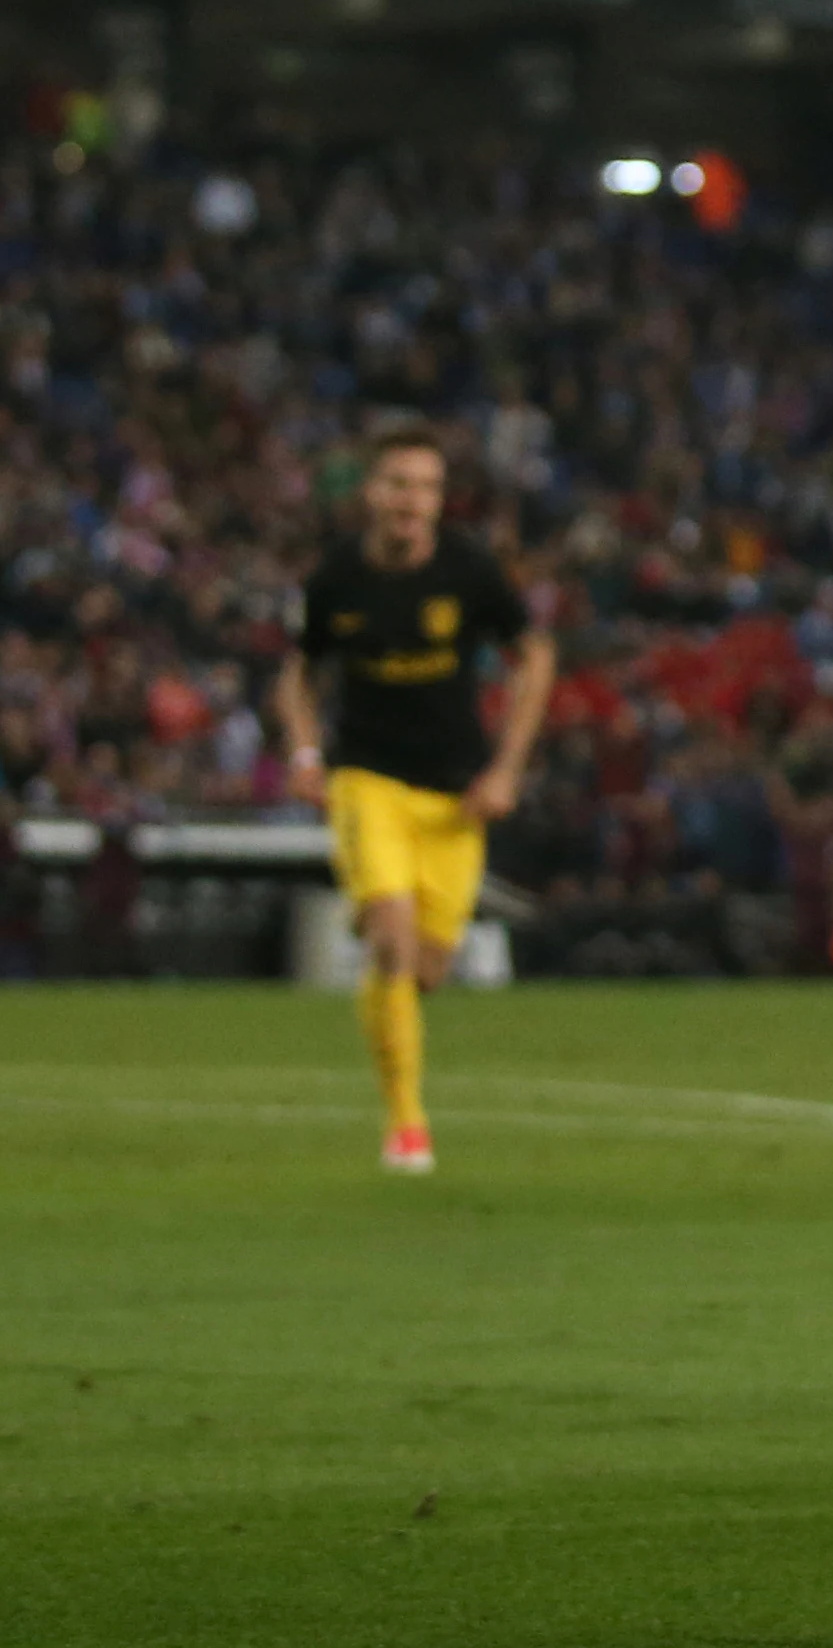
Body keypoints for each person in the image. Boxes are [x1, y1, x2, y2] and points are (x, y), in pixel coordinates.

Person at [271, 422, 554, 1175]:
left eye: (426, 487)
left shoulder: (469, 571)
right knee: (392, 935)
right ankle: (406, 1123)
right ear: (371, 492)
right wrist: (304, 752)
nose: (411, 501)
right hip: (366, 781)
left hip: (455, 796)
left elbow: (536, 654)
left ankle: (390, 1014)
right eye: (398, 484)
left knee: (426, 969)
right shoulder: (336, 578)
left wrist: (506, 768)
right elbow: (297, 671)